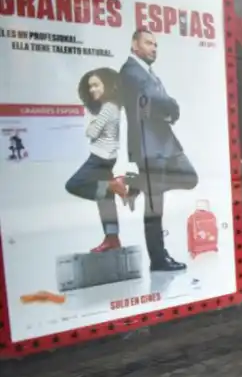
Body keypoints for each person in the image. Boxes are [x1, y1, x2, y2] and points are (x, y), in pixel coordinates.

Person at [120, 29, 198, 272]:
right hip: (148, 146)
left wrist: (169, 106)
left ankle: (135, 183)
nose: (154, 48)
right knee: (155, 209)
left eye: (156, 44)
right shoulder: (131, 71)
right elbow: (160, 102)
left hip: (163, 144)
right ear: (134, 45)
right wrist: (170, 107)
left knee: (190, 177)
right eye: (148, 43)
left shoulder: (146, 72)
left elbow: (163, 103)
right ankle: (158, 260)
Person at [65, 68, 129, 253]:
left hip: (99, 157)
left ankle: (111, 185)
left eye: (96, 85)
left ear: (107, 86)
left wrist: (91, 123)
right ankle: (112, 238)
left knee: (74, 184)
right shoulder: (113, 106)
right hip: (108, 158)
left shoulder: (108, 107)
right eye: (90, 86)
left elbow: (91, 133)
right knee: (105, 200)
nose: (92, 89)